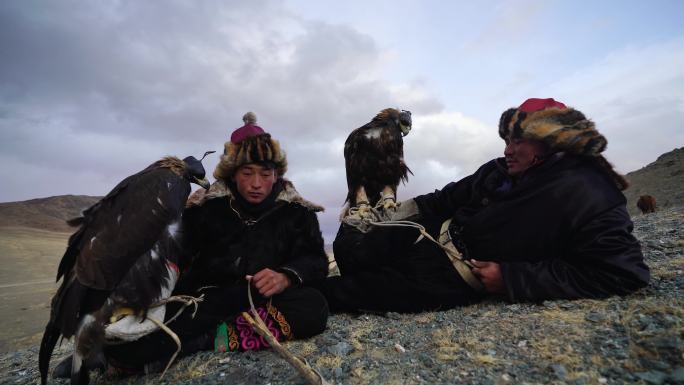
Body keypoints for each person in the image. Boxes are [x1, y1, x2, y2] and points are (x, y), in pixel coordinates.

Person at [53, 113, 330, 377]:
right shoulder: (203, 209)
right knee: (132, 339)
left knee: (314, 307)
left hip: (263, 299)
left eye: (265, 173)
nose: (257, 183)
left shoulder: (297, 213)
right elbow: (176, 258)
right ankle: (115, 351)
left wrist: (285, 276)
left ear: (276, 174)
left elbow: (316, 261)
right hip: (203, 301)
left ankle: (201, 342)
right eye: (247, 173)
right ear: (232, 173)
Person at [313, 98, 649, 313]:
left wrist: (513, 278)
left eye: (517, 141)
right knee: (351, 248)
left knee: (349, 292)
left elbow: (622, 272)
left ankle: (279, 307)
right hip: (430, 235)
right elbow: (447, 198)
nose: (507, 150)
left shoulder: (587, 193)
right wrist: (391, 214)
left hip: (452, 277)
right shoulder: (500, 169)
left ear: (549, 141)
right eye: (506, 140)